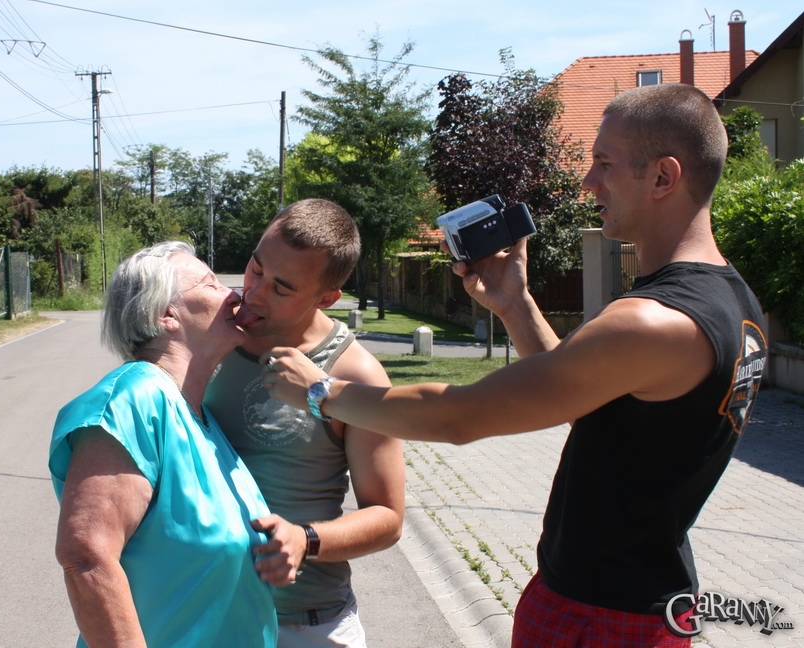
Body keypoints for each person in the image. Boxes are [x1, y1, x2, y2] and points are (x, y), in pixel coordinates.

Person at [261, 84, 768, 647]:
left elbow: (461, 416)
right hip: (638, 600)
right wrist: (515, 305)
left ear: (663, 177)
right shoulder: (735, 302)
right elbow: (586, 403)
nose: (588, 181)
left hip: (599, 618)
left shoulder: (652, 322)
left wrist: (322, 393)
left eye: (604, 163)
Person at [49, 241, 277, 648]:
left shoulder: (198, 413)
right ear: (166, 314)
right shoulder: (133, 400)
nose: (233, 295)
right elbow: (86, 556)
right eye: (210, 284)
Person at [205, 198, 406, 647]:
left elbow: (387, 518)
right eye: (256, 269)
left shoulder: (355, 374)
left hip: (304, 624)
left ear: (327, 298)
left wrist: (305, 539)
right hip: (205, 615)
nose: (255, 293)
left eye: (282, 289)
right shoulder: (212, 335)